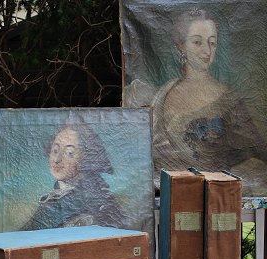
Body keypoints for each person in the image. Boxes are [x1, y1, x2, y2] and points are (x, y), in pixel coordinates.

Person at [123, 7, 267, 196]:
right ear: (181, 46)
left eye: (212, 43)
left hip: (217, 198)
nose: (206, 51)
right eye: (197, 42)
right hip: (169, 196)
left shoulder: (230, 100)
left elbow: (256, 155)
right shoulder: (162, 95)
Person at [23, 119, 125, 230]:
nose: (57, 160)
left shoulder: (100, 203)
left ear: (86, 159)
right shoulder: (52, 200)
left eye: (69, 153)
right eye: (55, 150)